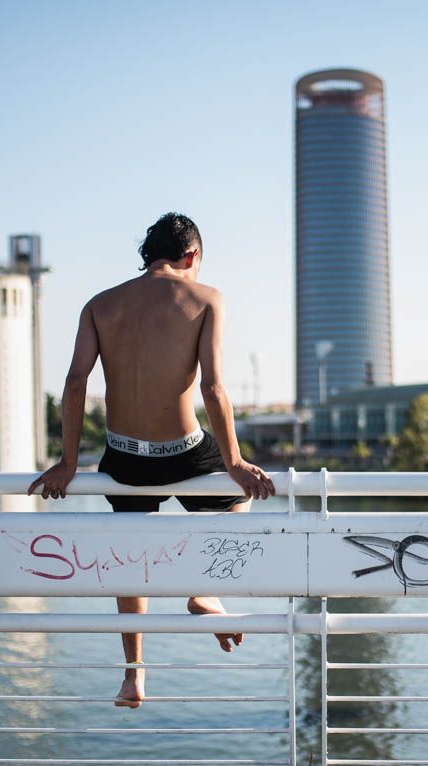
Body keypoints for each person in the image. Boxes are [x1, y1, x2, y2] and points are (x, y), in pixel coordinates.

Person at [28, 213, 275, 707]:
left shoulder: (100, 305)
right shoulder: (206, 299)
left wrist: (67, 462)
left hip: (122, 458)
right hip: (184, 452)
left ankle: (133, 675)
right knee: (239, 500)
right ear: (192, 257)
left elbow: (75, 383)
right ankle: (203, 593)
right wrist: (235, 461)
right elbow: (213, 387)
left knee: (130, 562)